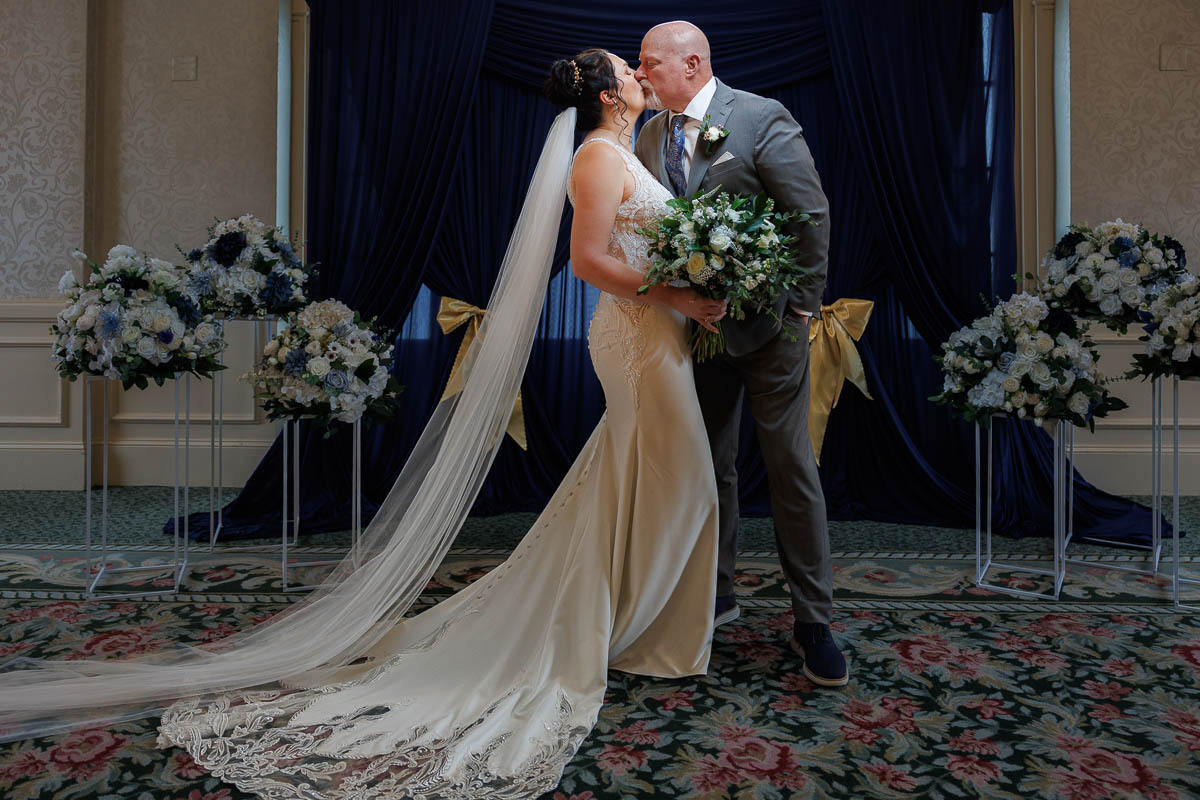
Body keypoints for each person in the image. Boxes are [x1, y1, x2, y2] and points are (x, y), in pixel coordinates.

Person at [0, 50, 728, 799]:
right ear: (611, 95)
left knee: (641, 478)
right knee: (688, 484)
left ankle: (628, 623)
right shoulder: (597, 160)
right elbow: (585, 263)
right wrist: (679, 295)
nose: (642, 76)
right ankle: (639, 629)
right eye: (629, 71)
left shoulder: (623, 149)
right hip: (639, 344)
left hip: (656, 338)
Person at [634, 21, 847, 687]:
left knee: (791, 470)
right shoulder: (648, 135)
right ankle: (715, 594)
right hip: (692, 336)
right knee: (708, 468)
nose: (640, 77)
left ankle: (814, 620)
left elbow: (808, 212)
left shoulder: (758, 117)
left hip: (771, 331)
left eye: (649, 65)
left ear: (692, 63)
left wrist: (804, 305)